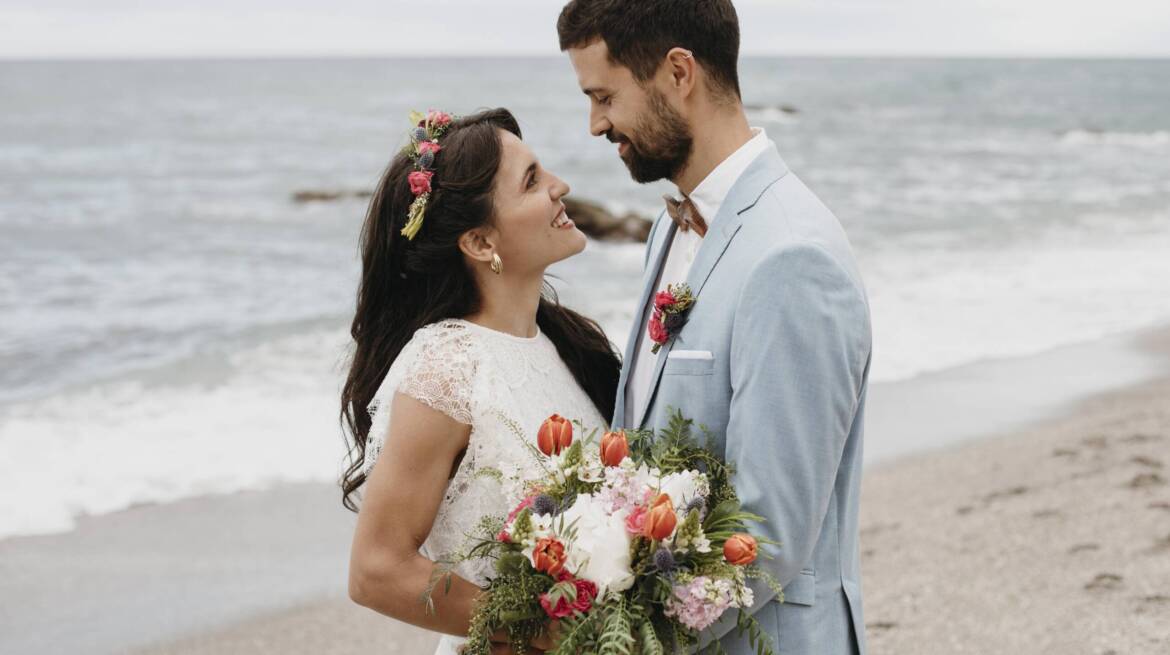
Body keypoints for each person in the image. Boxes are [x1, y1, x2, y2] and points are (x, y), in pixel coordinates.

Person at [558, 1, 873, 652]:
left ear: (678, 73)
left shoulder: (792, 257)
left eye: (604, 96)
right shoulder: (668, 228)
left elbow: (766, 537)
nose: (595, 124)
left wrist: (618, 643)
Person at [339, 108, 618, 655]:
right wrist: (543, 627)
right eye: (533, 181)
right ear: (480, 243)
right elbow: (376, 570)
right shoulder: (448, 366)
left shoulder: (567, 344)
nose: (561, 187)